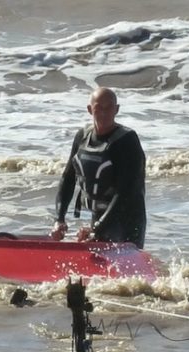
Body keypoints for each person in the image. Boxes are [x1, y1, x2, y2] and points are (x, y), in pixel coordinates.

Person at [51, 87, 147, 248]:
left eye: (109, 107)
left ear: (116, 110)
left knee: (122, 271)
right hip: (100, 216)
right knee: (94, 262)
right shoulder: (82, 137)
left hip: (127, 220)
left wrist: (97, 229)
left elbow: (126, 191)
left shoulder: (127, 140)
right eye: (98, 108)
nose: (104, 113)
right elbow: (68, 178)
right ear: (90, 110)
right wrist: (59, 219)